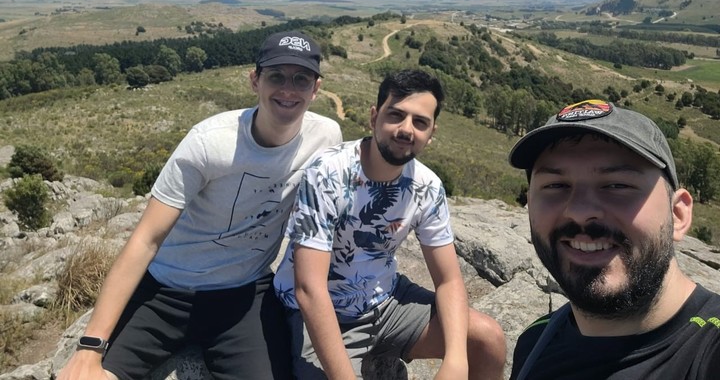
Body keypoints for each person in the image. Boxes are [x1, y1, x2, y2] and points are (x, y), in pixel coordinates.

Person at [58, 30, 342, 380]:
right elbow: (145, 239)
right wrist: (89, 347)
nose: (288, 89)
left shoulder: (326, 137)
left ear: (316, 89)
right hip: (165, 292)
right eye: (276, 76)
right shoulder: (209, 143)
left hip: (245, 296)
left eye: (301, 79)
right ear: (255, 80)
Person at [273, 69, 507, 380]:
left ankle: (384, 351)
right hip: (320, 314)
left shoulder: (427, 186)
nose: (406, 129)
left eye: (420, 122)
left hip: (386, 302)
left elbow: (449, 281)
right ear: (374, 118)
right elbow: (309, 288)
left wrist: (455, 360)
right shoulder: (327, 173)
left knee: (487, 340)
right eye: (395, 115)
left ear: (431, 132)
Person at [507, 99, 720, 380]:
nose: (581, 212)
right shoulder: (536, 341)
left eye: (617, 185)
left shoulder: (710, 350)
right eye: (556, 186)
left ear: (678, 215)